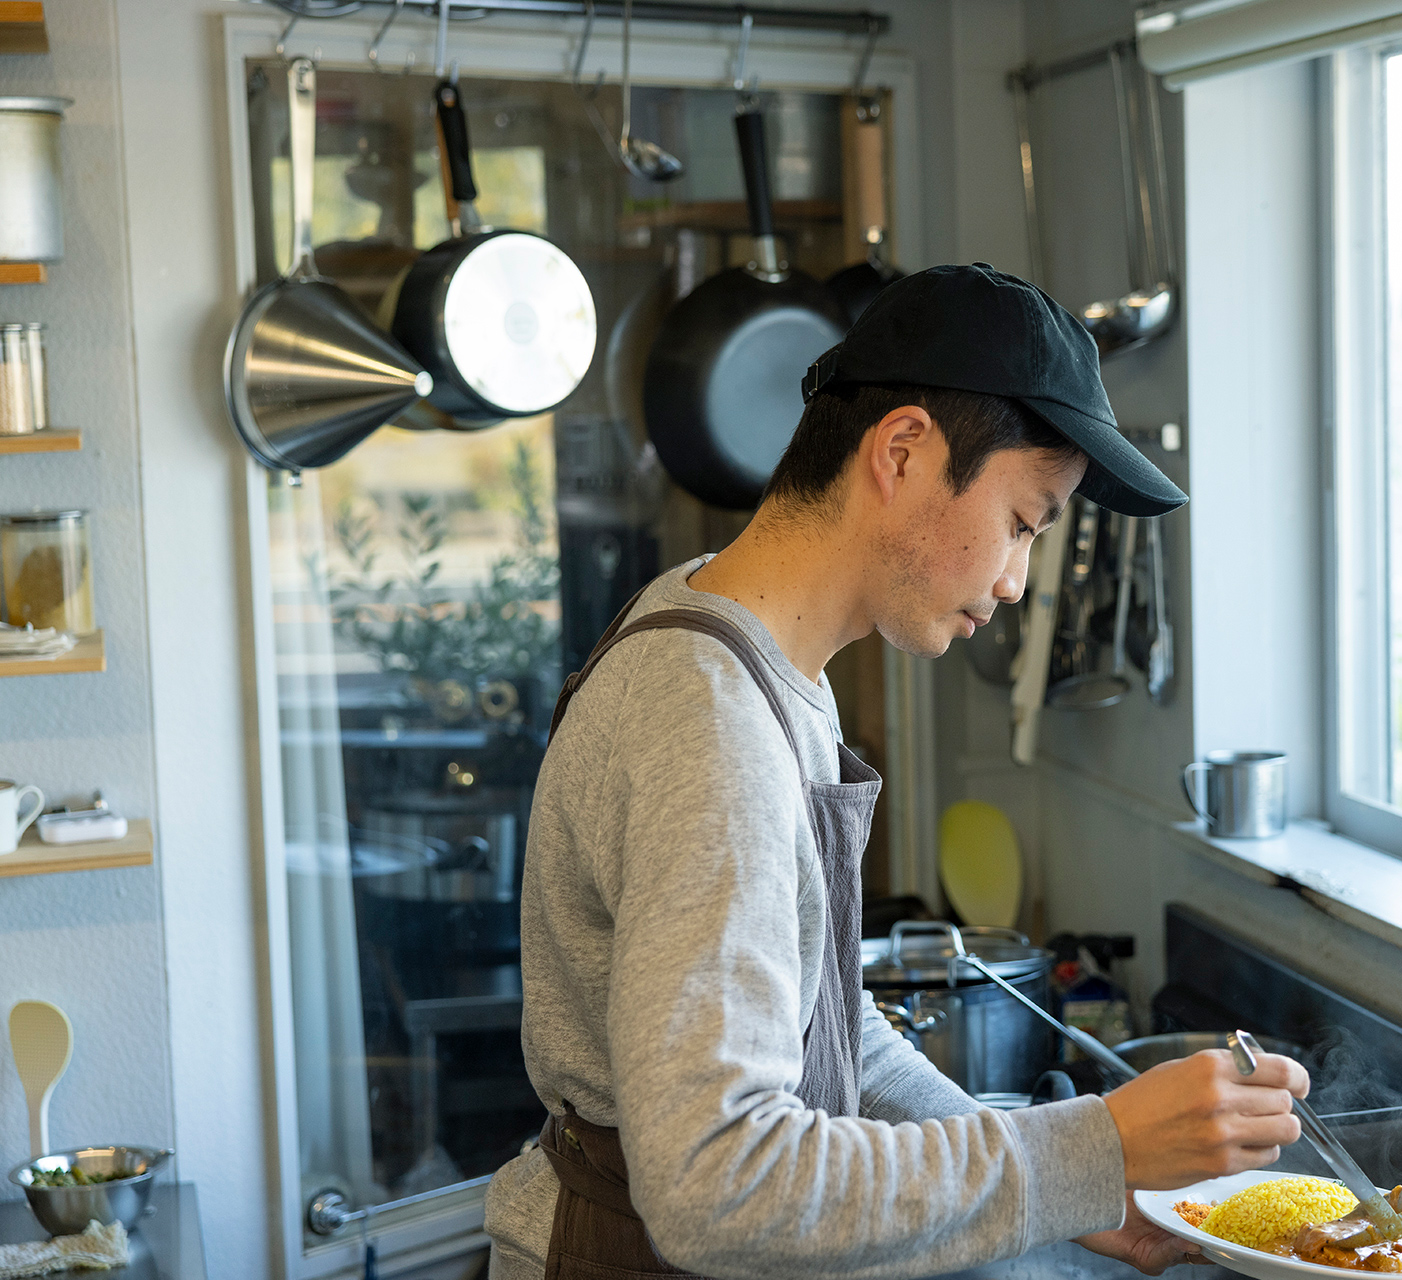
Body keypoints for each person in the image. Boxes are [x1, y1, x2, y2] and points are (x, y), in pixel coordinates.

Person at [484, 264, 1311, 1280]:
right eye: (1020, 522)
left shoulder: (757, 652)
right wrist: (1093, 1145)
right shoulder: (712, 722)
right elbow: (716, 1182)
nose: (1013, 581)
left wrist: (1082, 1189)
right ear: (905, 450)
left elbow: (832, 1028)